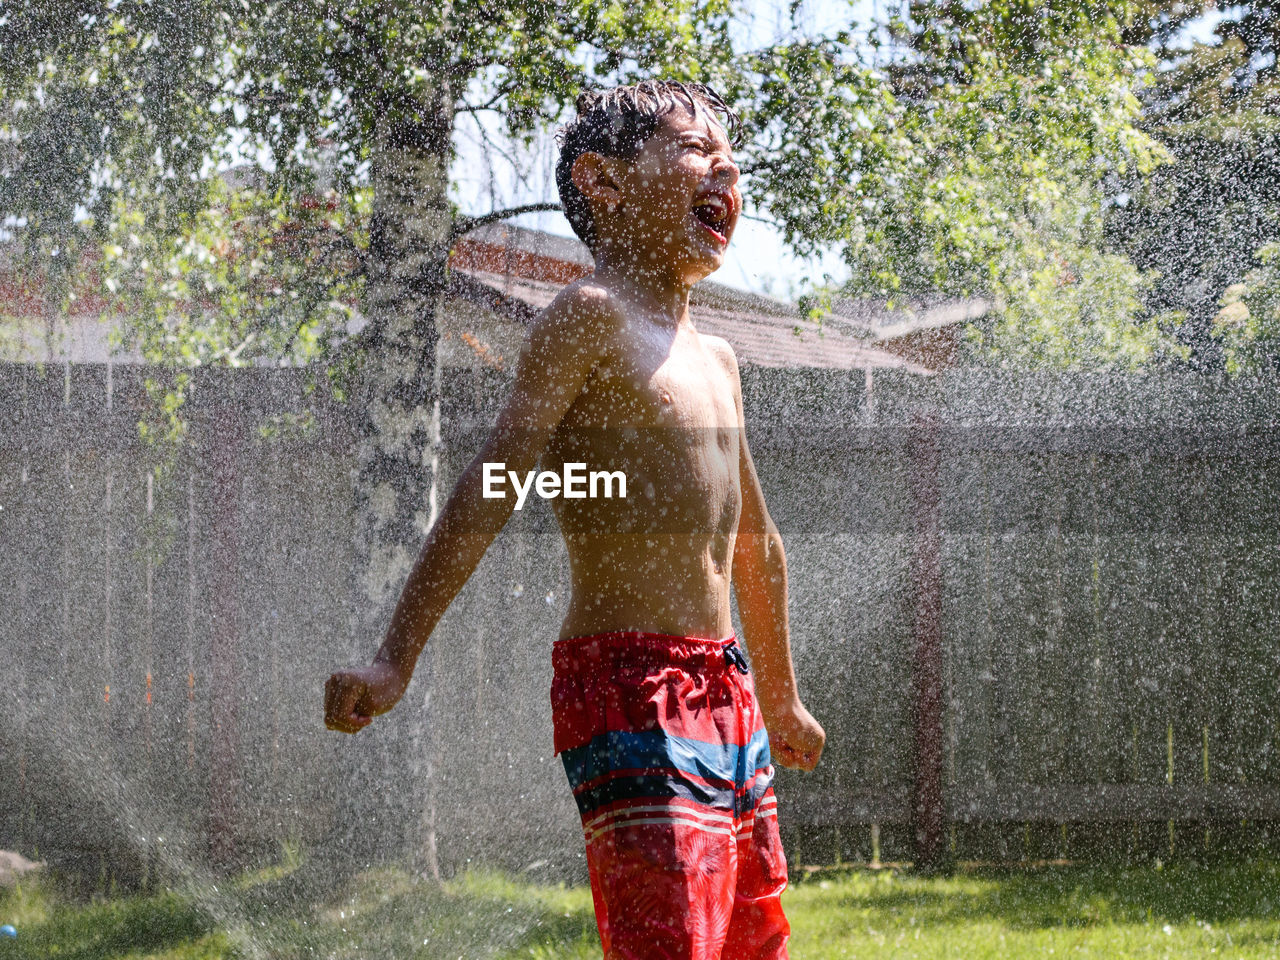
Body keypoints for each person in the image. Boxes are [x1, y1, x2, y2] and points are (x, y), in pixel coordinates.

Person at [324, 78, 825, 959]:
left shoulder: (718, 358)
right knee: (667, 939)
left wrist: (779, 695)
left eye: (729, 154)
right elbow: (494, 481)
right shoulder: (587, 320)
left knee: (754, 939)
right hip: (630, 683)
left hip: (729, 691)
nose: (726, 165)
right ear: (603, 182)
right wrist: (393, 655)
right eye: (694, 148)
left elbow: (756, 540)